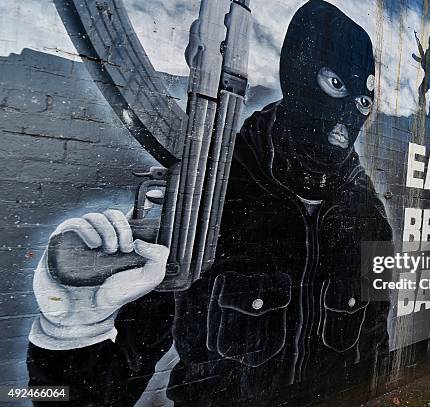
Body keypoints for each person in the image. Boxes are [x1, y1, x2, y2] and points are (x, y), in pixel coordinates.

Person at [27, 1, 393, 405]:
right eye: (336, 85)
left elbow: (373, 346)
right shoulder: (211, 196)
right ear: (298, 73)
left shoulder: (369, 217)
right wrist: (74, 330)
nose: (348, 115)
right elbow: (96, 396)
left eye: (363, 101)